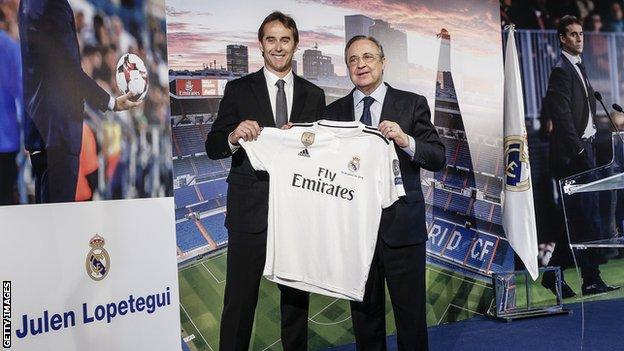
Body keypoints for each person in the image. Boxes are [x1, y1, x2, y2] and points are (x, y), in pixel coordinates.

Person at [204, 11, 325, 350]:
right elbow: (213, 145)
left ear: (295, 45)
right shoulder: (239, 90)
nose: (278, 46)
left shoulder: (314, 96)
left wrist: (307, 141)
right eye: (271, 39)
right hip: (249, 214)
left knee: (296, 306)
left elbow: (322, 155)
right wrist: (232, 136)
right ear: (261, 45)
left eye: (285, 39)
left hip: (297, 214)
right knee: (240, 303)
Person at [324, 35, 445, 350]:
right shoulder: (333, 113)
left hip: (402, 229)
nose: (360, 64)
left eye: (367, 57)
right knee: (365, 321)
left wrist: (406, 141)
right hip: (355, 235)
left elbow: (437, 157)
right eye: (353, 59)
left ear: (382, 61)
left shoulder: (411, 103)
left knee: (411, 319)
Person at [18, 0, 140, 203]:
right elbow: (68, 70)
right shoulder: (52, 5)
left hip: (40, 129)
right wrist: (111, 102)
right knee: (58, 218)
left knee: (46, 216)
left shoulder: (28, 3)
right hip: (58, 129)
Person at [542, 15, 619, 296]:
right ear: (562, 38)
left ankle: (566, 276)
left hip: (587, 151)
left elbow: (585, 114)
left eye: (581, 34)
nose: (579, 38)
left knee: (580, 222)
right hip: (573, 158)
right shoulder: (561, 70)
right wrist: (578, 152)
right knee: (582, 221)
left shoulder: (578, 66)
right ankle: (585, 278)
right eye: (573, 34)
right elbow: (562, 118)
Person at [0, 9, 21, 205]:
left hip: (6, 137)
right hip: (6, 139)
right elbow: (22, 91)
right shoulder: (10, 47)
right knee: (5, 200)